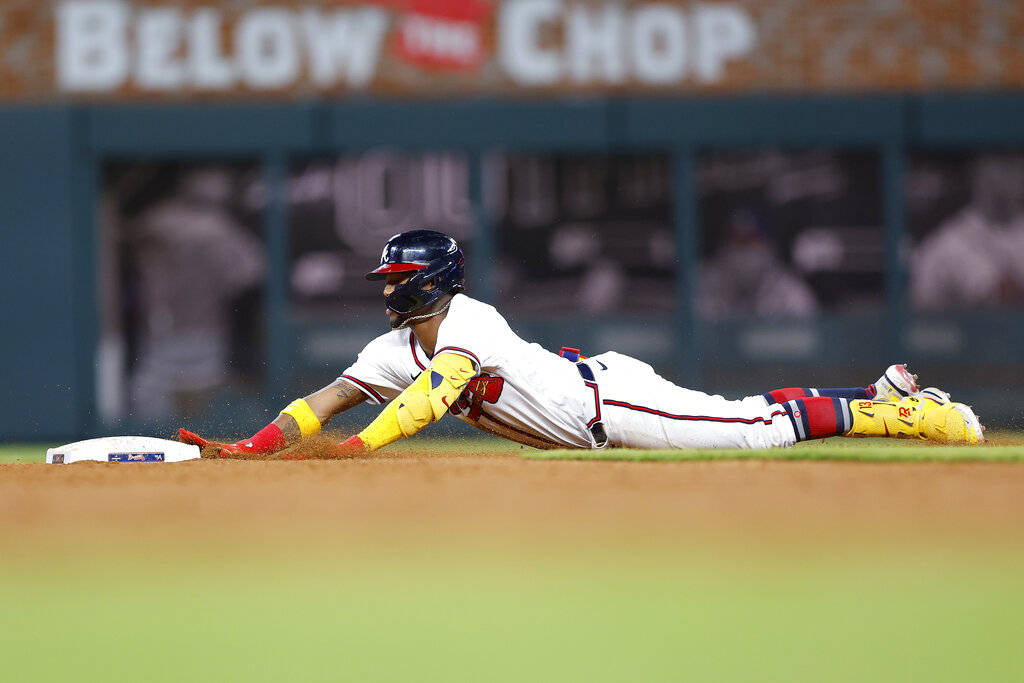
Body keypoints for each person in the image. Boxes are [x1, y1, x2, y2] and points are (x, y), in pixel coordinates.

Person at [179, 230, 983, 458]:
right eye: (384, 276)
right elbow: (323, 399)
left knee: (755, 429)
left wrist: (362, 448)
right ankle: (876, 397)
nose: (387, 287)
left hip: (609, 402)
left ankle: (898, 414)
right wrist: (254, 444)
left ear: (431, 280)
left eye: (396, 276)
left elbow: (430, 398)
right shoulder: (394, 346)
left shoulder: (472, 320)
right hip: (584, 402)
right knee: (742, 417)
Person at [911, 154, 1024, 309]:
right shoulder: (945, 245)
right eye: (1002, 161)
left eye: (1017, 162)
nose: (1011, 174)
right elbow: (921, 322)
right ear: (976, 168)